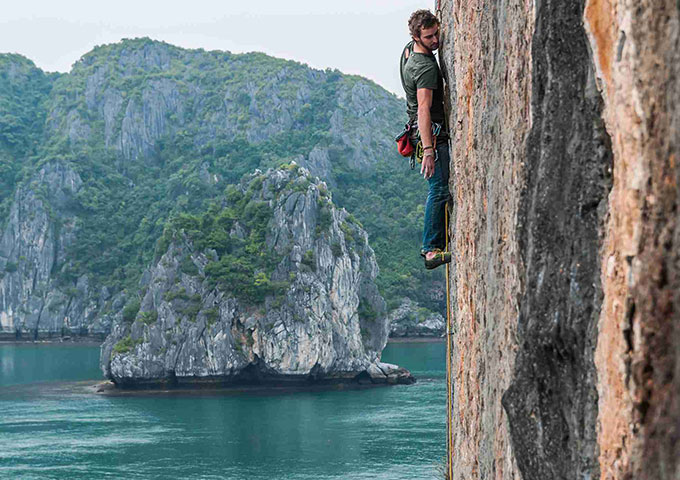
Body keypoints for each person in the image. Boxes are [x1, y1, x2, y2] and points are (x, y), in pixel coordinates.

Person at [400, 9, 451, 270]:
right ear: (417, 37)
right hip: (433, 135)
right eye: (430, 37)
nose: (436, 40)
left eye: (437, 33)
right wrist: (429, 150)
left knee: (438, 188)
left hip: (420, 133)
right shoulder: (425, 68)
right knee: (439, 189)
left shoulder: (409, 51)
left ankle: (434, 244)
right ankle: (431, 249)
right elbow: (423, 108)